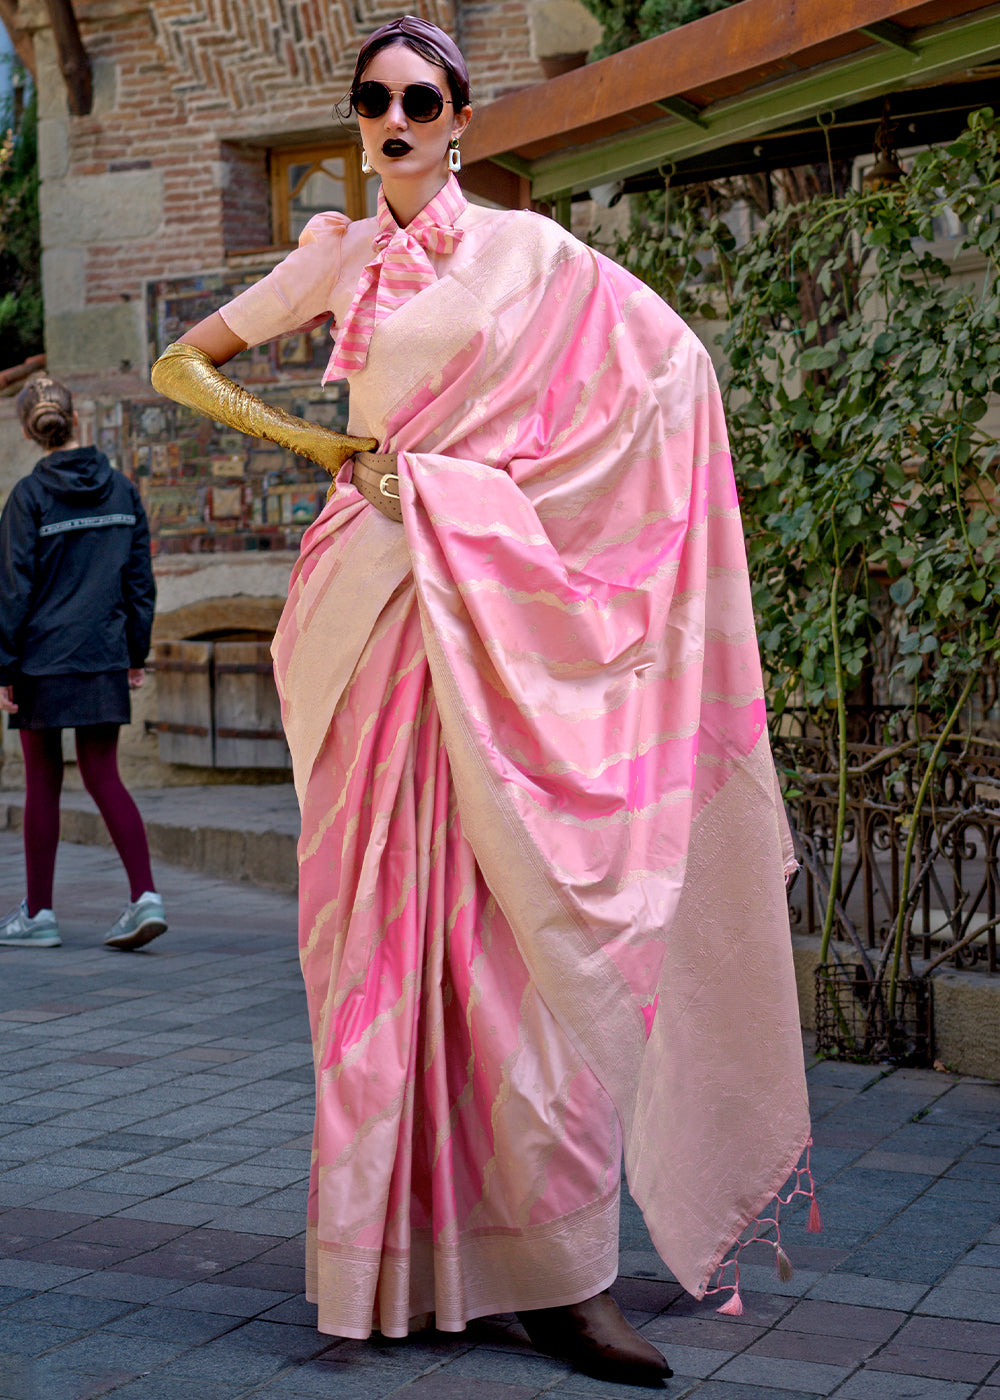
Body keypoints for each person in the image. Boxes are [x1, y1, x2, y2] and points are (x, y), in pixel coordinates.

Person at [151, 15, 811, 1386]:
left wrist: (532, 505)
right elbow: (180, 365)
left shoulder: (532, 254)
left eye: (421, 100)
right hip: (373, 616)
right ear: (359, 119)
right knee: (381, 947)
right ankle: (411, 1261)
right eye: (374, 99)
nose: (394, 119)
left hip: (500, 621)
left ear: (459, 120)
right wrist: (332, 447)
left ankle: (565, 1279)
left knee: (519, 941)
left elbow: (671, 369)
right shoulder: (335, 257)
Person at [0, 376, 166, 953]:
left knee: (43, 782)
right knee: (103, 775)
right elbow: (140, 582)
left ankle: (38, 915)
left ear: (29, 432)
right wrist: (135, 652)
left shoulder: (28, 497)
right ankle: (146, 897)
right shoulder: (122, 490)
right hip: (102, 653)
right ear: (77, 420)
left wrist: (4, 668)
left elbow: (13, 590)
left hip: (41, 661)